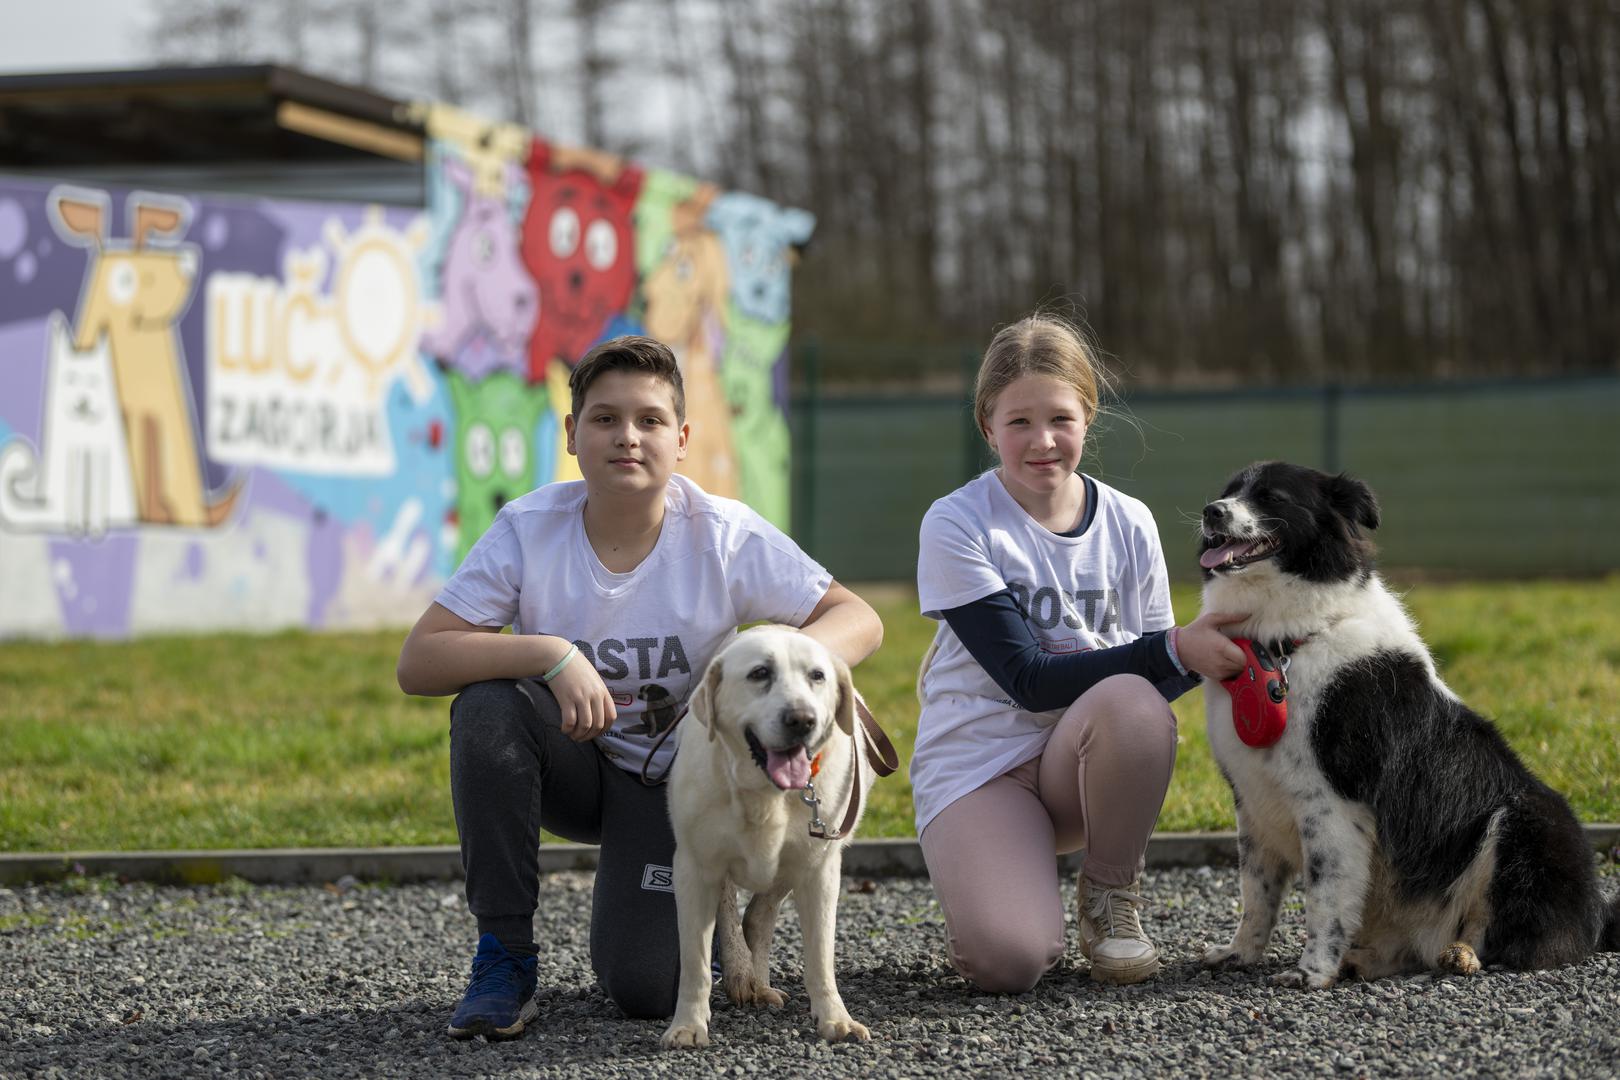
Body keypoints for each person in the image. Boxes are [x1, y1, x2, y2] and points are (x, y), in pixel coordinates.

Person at [397, 335, 883, 1039]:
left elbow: (857, 619)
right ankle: (505, 955)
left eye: (650, 420)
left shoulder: (721, 533)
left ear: (682, 439)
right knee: (488, 705)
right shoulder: (529, 530)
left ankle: (710, 906)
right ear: (571, 434)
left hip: (686, 790)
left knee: (648, 988)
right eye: (604, 419)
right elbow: (419, 660)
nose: (628, 436)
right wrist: (549, 653)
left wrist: (795, 674)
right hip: (580, 768)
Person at [912, 313, 1246, 993]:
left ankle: (1109, 895)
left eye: (1060, 418)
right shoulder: (957, 521)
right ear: (987, 427)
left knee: (1131, 699)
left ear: (1089, 417)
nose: (1042, 441)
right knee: (1009, 964)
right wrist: (1178, 648)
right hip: (981, 768)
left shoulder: (1129, 520)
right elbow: (1027, 681)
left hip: (1080, 766)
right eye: (1018, 423)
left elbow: (1159, 676)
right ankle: (1002, 886)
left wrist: (1215, 650)